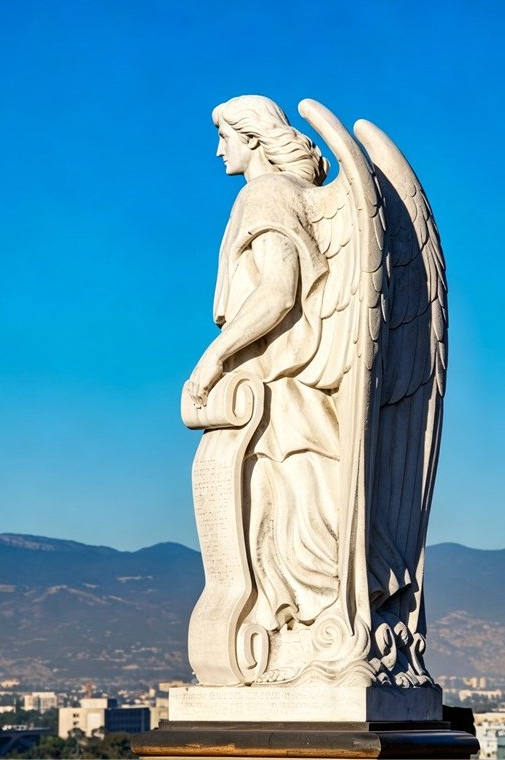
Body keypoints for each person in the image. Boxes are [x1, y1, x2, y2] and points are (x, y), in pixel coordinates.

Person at [186, 96, 342, 645]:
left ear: (253, 138)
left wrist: (213, 357)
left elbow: (278, 292)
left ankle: (304, 636)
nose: (217, 149)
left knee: (290, 515)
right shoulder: (301, 197)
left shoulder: (267, 193)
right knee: (290, 511)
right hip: (285, 389)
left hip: (281, 390)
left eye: (225, 136)